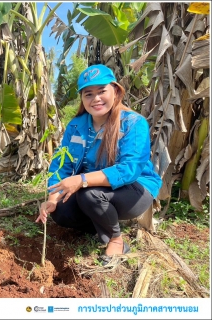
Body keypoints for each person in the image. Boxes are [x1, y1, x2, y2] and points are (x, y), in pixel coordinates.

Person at [35, 64, 162, 266]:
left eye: (102, 91)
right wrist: (52, 198)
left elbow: (129, 170)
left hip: (135, 189)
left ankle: (116, 240)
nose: (96, 99)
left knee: (89, 193)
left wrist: (82, 180)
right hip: (94, 189)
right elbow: (62, 163)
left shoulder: (133, 123)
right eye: (88, 94)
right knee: (61, 212)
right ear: (82, 99)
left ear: (116, 91)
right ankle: (101, 220)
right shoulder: (76, 125)